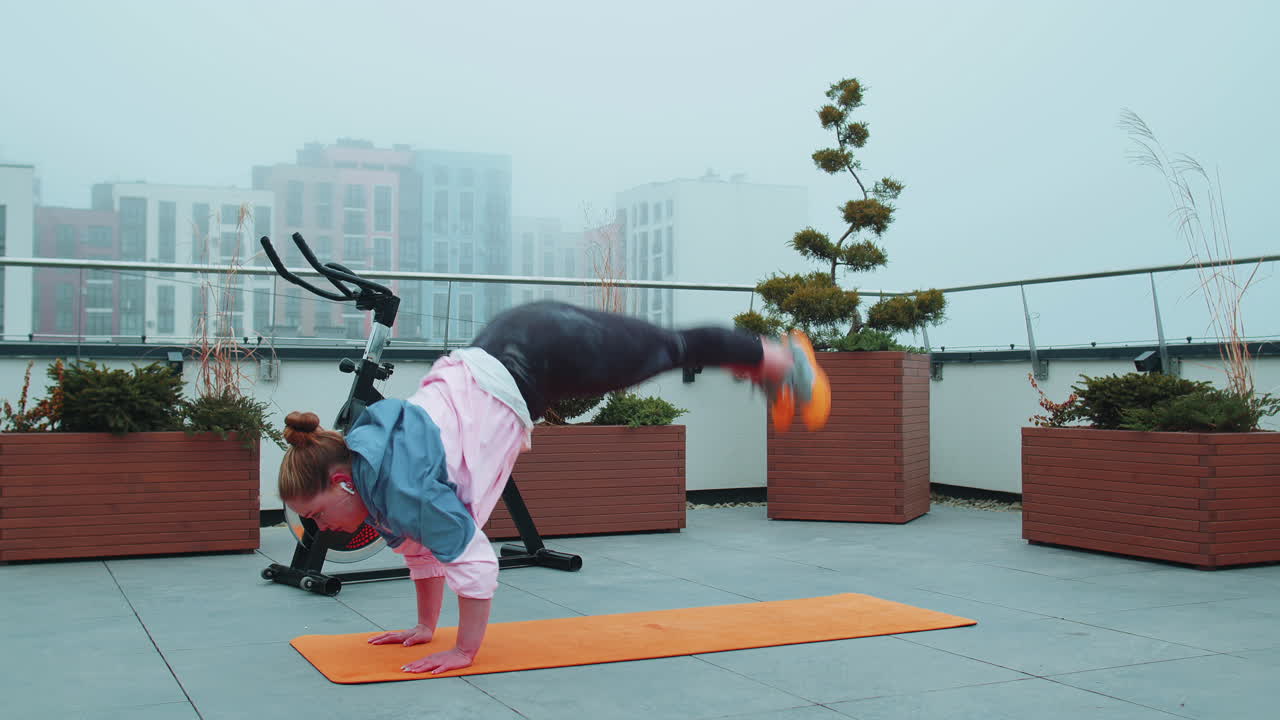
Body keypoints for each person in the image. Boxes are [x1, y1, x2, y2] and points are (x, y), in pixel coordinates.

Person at [277, 300, 831, 674]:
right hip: (511, 355)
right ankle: (762, 366)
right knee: (663, 350)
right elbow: (423, 553)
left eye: (318, 515)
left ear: (343, 482)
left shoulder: (401, 488)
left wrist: (465, 650)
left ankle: (783, 361)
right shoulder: (371, 469)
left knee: (671, 348)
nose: (320, 530)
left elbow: (471, 561)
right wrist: (425, 627)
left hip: (537, 350)